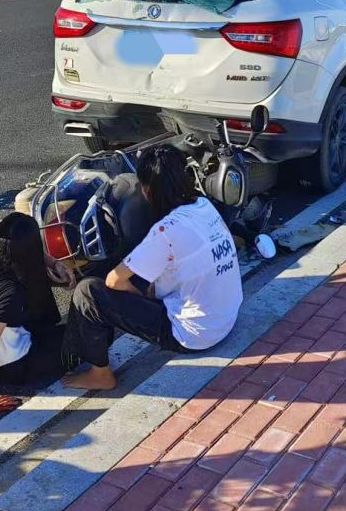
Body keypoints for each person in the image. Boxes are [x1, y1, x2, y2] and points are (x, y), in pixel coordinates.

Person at [62, 145, 244, 391]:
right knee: (144, 278)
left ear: (147, 191)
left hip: (194, 335)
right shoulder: (203, 205)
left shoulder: (165, 231)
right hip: (226, 318)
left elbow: (114, 281)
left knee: (88, 291)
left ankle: (100, 375)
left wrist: (140, 297)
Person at [0, 212, 67, 416]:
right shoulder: (10, 292)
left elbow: (22, 251)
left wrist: (53, 263)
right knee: (79, 336)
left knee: (34, 278)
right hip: (10, 366)